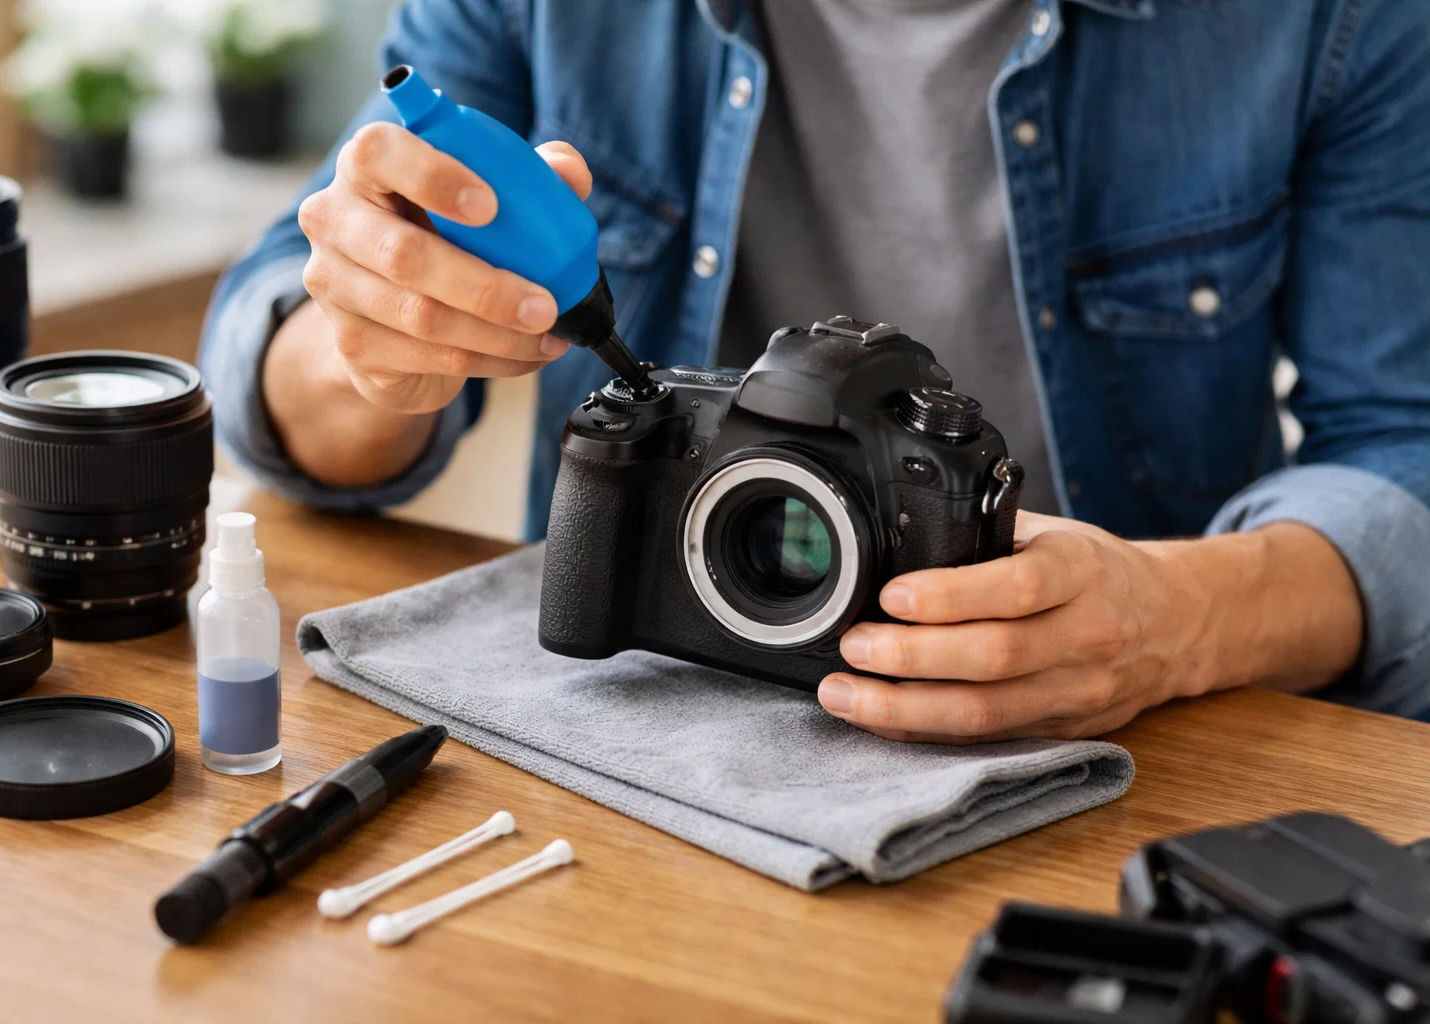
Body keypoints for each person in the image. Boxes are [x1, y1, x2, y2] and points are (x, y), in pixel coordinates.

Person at [201, 0, 1430, 742]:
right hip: (629, 737)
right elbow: (286, 337)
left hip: (1121, 747)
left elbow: (1406, 446)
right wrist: (368, 351)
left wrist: (1180, 619)